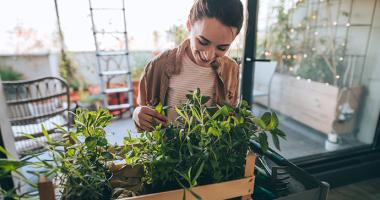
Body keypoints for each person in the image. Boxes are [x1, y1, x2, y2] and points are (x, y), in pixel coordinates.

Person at [133, 0, 244, 131]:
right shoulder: (158, 65)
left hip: (211, 151)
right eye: (203, 41)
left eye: (222, 47)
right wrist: (137, 115)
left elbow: (230, 116)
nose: (208, 56)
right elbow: (142, 109)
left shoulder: (231, 69)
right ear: (189, 25)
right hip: (168, 149)